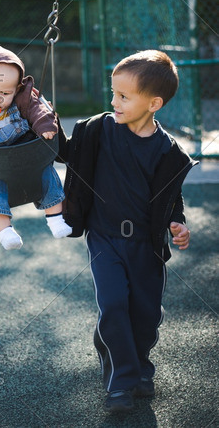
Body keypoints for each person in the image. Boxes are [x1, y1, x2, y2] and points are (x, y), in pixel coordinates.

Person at [58, 50, 197, 414]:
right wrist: (44, 124)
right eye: (113, 93)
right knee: (114, 304)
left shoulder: (168, 152)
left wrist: (177, 223)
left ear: (154, 103)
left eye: (123, 96)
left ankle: (140, 366)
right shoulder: (98, 130)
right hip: (104, 238)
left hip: (145, 246)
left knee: (146, 314)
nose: (113, 102)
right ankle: (120, 383)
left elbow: (170, 197)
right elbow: (66, 153)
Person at [0, 44, 72, 250]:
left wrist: (45, 126)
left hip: (26, 153)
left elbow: (38, 111)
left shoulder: (24, 99)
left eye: (4, 93)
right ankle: (5, 232)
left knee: (47, 172)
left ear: (17, 89)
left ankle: (55, 219)